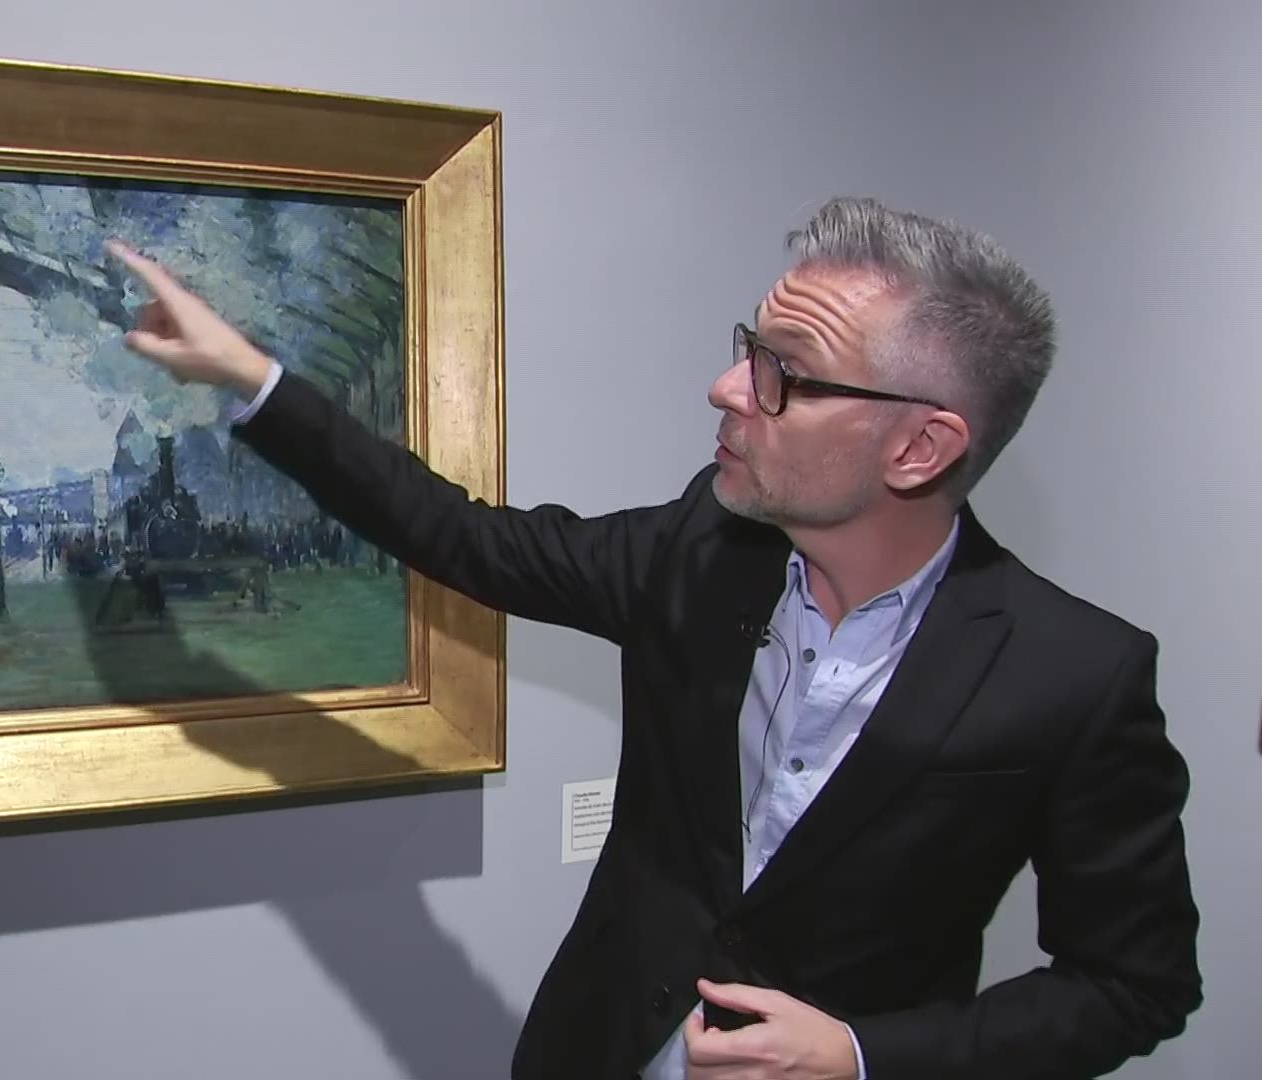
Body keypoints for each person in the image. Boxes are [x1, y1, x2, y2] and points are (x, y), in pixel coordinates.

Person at [103, 196, 1202, 1080]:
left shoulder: (1075, 676)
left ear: (920, 448)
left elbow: (1132, 985)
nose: (726, 387)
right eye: (747, 347)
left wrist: (867, 1056)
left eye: (782, 372)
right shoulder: (699, 551)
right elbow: (463, 538)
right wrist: (251, 378)